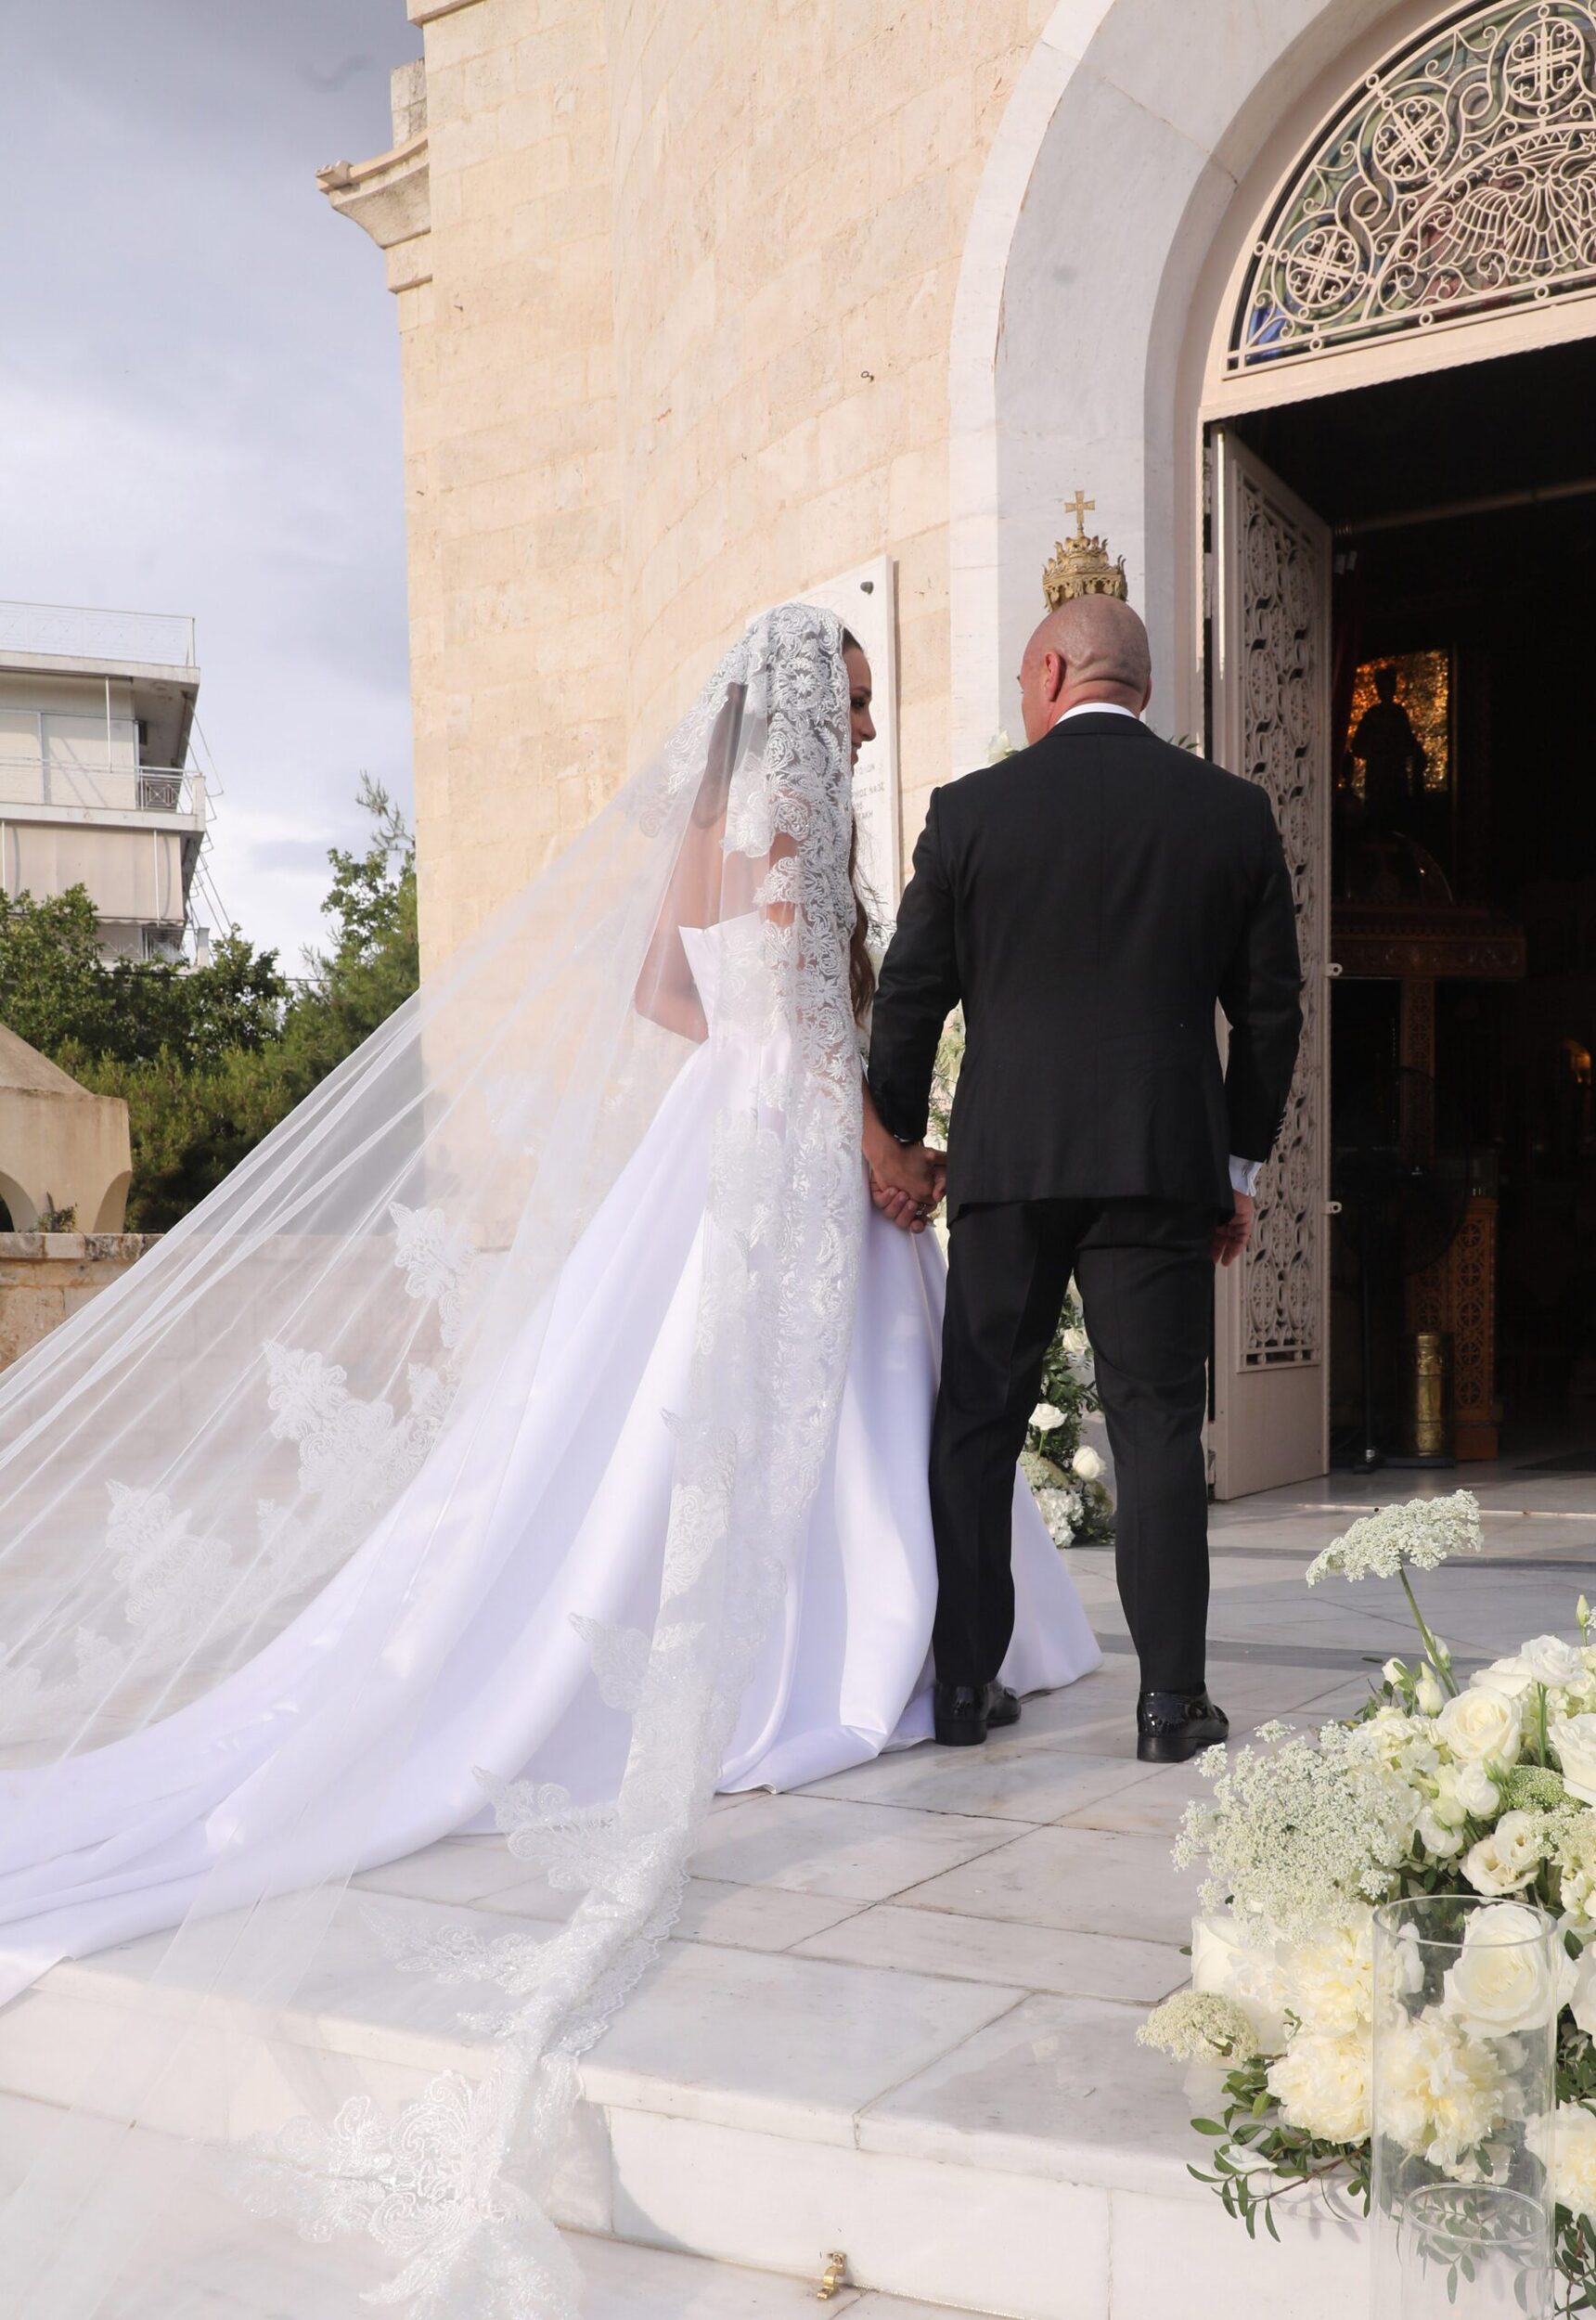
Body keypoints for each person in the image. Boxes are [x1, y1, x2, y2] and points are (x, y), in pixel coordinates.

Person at [0, 604, 1097, 2318]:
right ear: (806, 712)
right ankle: (845, 1652)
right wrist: (879, 1142)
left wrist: (743, 1070)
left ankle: (807, 1628)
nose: (872, 727)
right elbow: (825, 1034)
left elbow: (663, 988)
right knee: (822, 1397)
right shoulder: (802, 824)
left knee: (669, 1408)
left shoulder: (705, 825)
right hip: (796, 1142)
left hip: (720, 1134)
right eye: (860, 700)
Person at [868, 596, 1303, 1763]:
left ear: (1053, 672)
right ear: (1140, 686)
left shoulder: (968, 812)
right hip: (1160, 1163)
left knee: (978, 1417)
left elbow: (910, 994)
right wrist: (1235, 1164)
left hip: (1008, 1163)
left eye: (1024, 681)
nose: (1024, 699)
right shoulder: (1230, 812)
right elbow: (1271, 1012)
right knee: (1155, 1422)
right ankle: (1169, 1703)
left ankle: (964, 1689)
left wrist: (898, 1144)